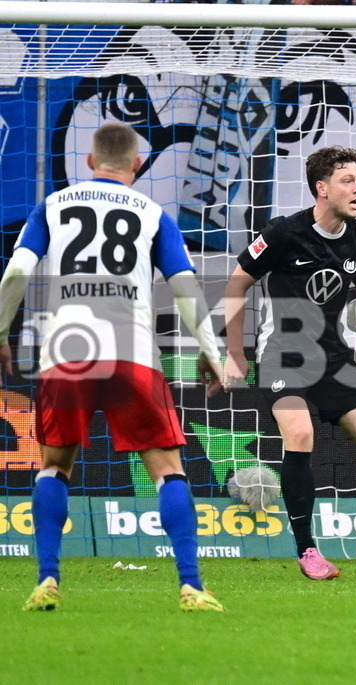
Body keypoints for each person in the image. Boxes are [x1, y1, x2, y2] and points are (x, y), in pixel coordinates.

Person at [0, 122, 224, 611]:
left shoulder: (52, 206)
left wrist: (0, 332)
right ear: (138, 166)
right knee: (168, 470)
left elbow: (17, 269)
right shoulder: (151, 212)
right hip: (133, 351)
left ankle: (47, 579)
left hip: (65, 351)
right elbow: (184, 285)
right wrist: (210, 348)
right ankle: (190, 585)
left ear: (88, 162)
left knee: (55, 466)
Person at [224, 146, 356, 581]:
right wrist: (236, 351)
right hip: (282, 356)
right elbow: (236, 284)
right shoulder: (283, 234)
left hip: (333, 357)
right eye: (347, 180)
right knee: (302, 433)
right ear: (321, 188)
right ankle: (307, 550)